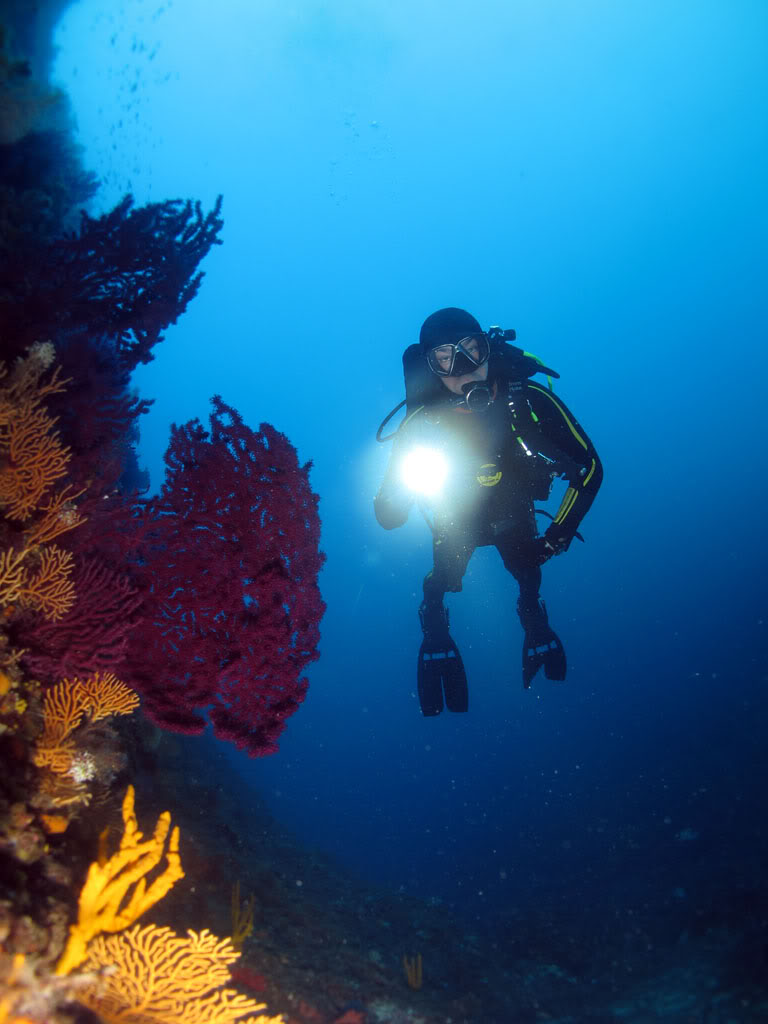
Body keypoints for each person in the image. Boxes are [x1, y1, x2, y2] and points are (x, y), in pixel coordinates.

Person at [374, 307, 603, 715]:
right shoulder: (421, 424)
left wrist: (557, 538)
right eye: (444, 358)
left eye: (470, 350)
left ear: (488, 347)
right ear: (430, 368)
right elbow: (389, 517)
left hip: (515, 513)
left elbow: (590, 468)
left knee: (528, 570)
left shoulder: (527, 400)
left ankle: (532, 616)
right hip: (454, 521)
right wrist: (398, 488)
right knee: (443, 578)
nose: (461, 368)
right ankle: (435, 630)